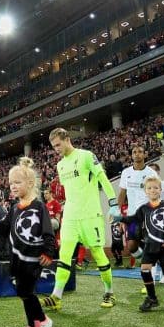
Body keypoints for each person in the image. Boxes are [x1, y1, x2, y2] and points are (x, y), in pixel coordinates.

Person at [40, 127, 117, 311]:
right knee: (64, 254)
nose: (56, 149)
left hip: (90, 215)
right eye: (53, 146)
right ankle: (56, 295)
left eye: (58, 144)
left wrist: (113, 201)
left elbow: (101, 177)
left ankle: (109, 292)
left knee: (98, 254)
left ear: (67, 139)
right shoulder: (60, 165)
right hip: (71, 217)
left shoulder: (86, 156)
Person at [0, 158, 55, 327]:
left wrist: (48, 252)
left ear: (30, 184)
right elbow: (4, 227)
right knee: (23, 293)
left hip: (33, 258)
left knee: (27, 291)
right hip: (17, 258)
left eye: (17, 183)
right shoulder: (14, 208)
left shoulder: (39, 207)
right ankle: (32, 325)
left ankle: (43, 322)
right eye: (11, 183)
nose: (12, 187)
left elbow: (48, 231)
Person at [119, 177, 164, 312]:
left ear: (160, 190)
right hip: (150, 245)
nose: (153, 190)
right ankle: (152, 298)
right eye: (149, 188)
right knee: (144, 269)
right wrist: (119, 218)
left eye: (156, 188)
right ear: (145, 191)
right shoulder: (143, 208)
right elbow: (133, 219)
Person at [117, 146, 157, 270]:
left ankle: (152, 272)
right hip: (132, 217)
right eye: (134, 152)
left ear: (145, 155)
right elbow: (122, 194)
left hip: (147, 215)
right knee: (131, 246)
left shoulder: (151, 173)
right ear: (131, 155)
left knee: (150, 245)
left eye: (140, 152)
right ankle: (146, 261)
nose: (137, 154)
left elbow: (156, 194)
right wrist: (119, 215)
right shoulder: (126, 172)